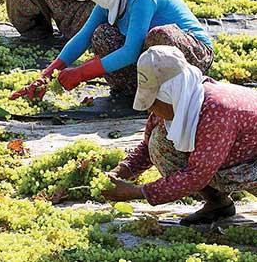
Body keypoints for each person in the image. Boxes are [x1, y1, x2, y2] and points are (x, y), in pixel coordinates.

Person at [10, 0, 214, 100]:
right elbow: (83, 38)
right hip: (153, 61)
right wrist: (45, 75)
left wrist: (81, 73)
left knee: (159, 36)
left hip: (193, 55)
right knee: (101, 34)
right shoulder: (106, 4)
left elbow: (131, 52)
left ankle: (175, 92)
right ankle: (140, 90)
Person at [102, 46, 256, 225]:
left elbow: (197, 175)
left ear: (171, 93)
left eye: (154, 100)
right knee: (159, 142)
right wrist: (120, 172)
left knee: (198, 169)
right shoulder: (182, 102)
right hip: (234, 159)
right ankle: (218, 204)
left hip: (252, 162)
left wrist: (137, 192)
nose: (150, 107)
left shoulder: (217, 111)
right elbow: (146, 148)